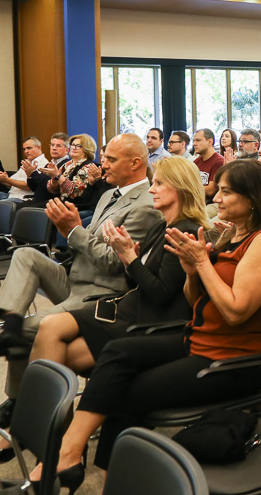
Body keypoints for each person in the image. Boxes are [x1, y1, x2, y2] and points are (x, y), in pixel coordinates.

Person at [33, 160, 261, 485]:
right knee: (117, 353)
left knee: (125, 392)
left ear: (252, 197)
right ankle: (71, 454)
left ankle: (92, 470)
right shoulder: (232, 235)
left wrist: (201, 264)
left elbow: (236, 311)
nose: (217, 197)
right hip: (198, 340)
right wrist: (193, 271)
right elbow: (197, 300)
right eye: (219, 189)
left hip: (232, 361)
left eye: (226, 192)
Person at [0, 134, 164, 429]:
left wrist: (73, 231)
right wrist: (71, 230)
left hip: (103, 292)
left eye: (110, 159)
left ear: (135, 163)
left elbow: (115, 264)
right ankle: (11, 320)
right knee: (27, 255)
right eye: (104, 157)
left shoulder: (145, 205)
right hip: (77, 277)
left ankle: (20, 402)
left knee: (33, 330)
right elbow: (87, 243)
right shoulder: (109, 193)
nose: (102, 164)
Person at [23, 157, 206, 409]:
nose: (151, 189)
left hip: (146, 320)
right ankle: (44, 424)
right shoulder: (162, 226)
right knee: (50, 330)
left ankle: (43, 424)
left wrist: (130, 257)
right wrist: (127, 254)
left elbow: (160, 293)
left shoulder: (184, 232)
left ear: (180, 189)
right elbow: (135, 279)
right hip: (130, 309)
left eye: (159, 184)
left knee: (55, 351)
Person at [0, 136, 48, 202]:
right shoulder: (27, 162)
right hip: (9, 194)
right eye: (24, 149)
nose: (26, 151)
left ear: (39, 147)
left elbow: (29, 186)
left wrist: (7, 180)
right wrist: (1, 179)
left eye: (29, 148)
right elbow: (11, 183)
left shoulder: (43, 164)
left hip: (22, 198)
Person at [50, 134, 100, 209]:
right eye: (73, 145)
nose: (74, 148)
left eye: (79, 146)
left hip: (78, 207)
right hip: (63, 204)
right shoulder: (66, 165)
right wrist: (54, 179)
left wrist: (58, 176)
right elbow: (52, 190)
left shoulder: (88, 166)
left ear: (87, 149)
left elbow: (75, 192)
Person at [192, 129, 224, 200]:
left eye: (198, 140)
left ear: (210, 141)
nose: (194, 144)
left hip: (211, 203)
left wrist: (190, 187)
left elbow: (211, 190)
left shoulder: (219, 161)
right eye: (194, 141)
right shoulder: (196, 162)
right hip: (197, 200)